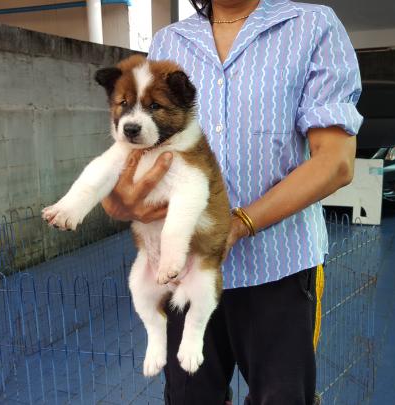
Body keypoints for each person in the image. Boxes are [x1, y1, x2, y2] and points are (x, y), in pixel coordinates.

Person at [101, 0, 362, 403]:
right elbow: (145, 148)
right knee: (189, 396)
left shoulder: (311, 26)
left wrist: (240, 223)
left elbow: (335, 162)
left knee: (282, 398)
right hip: (186, 271)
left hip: (278, 268)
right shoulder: (170, 41)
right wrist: (120, 200)